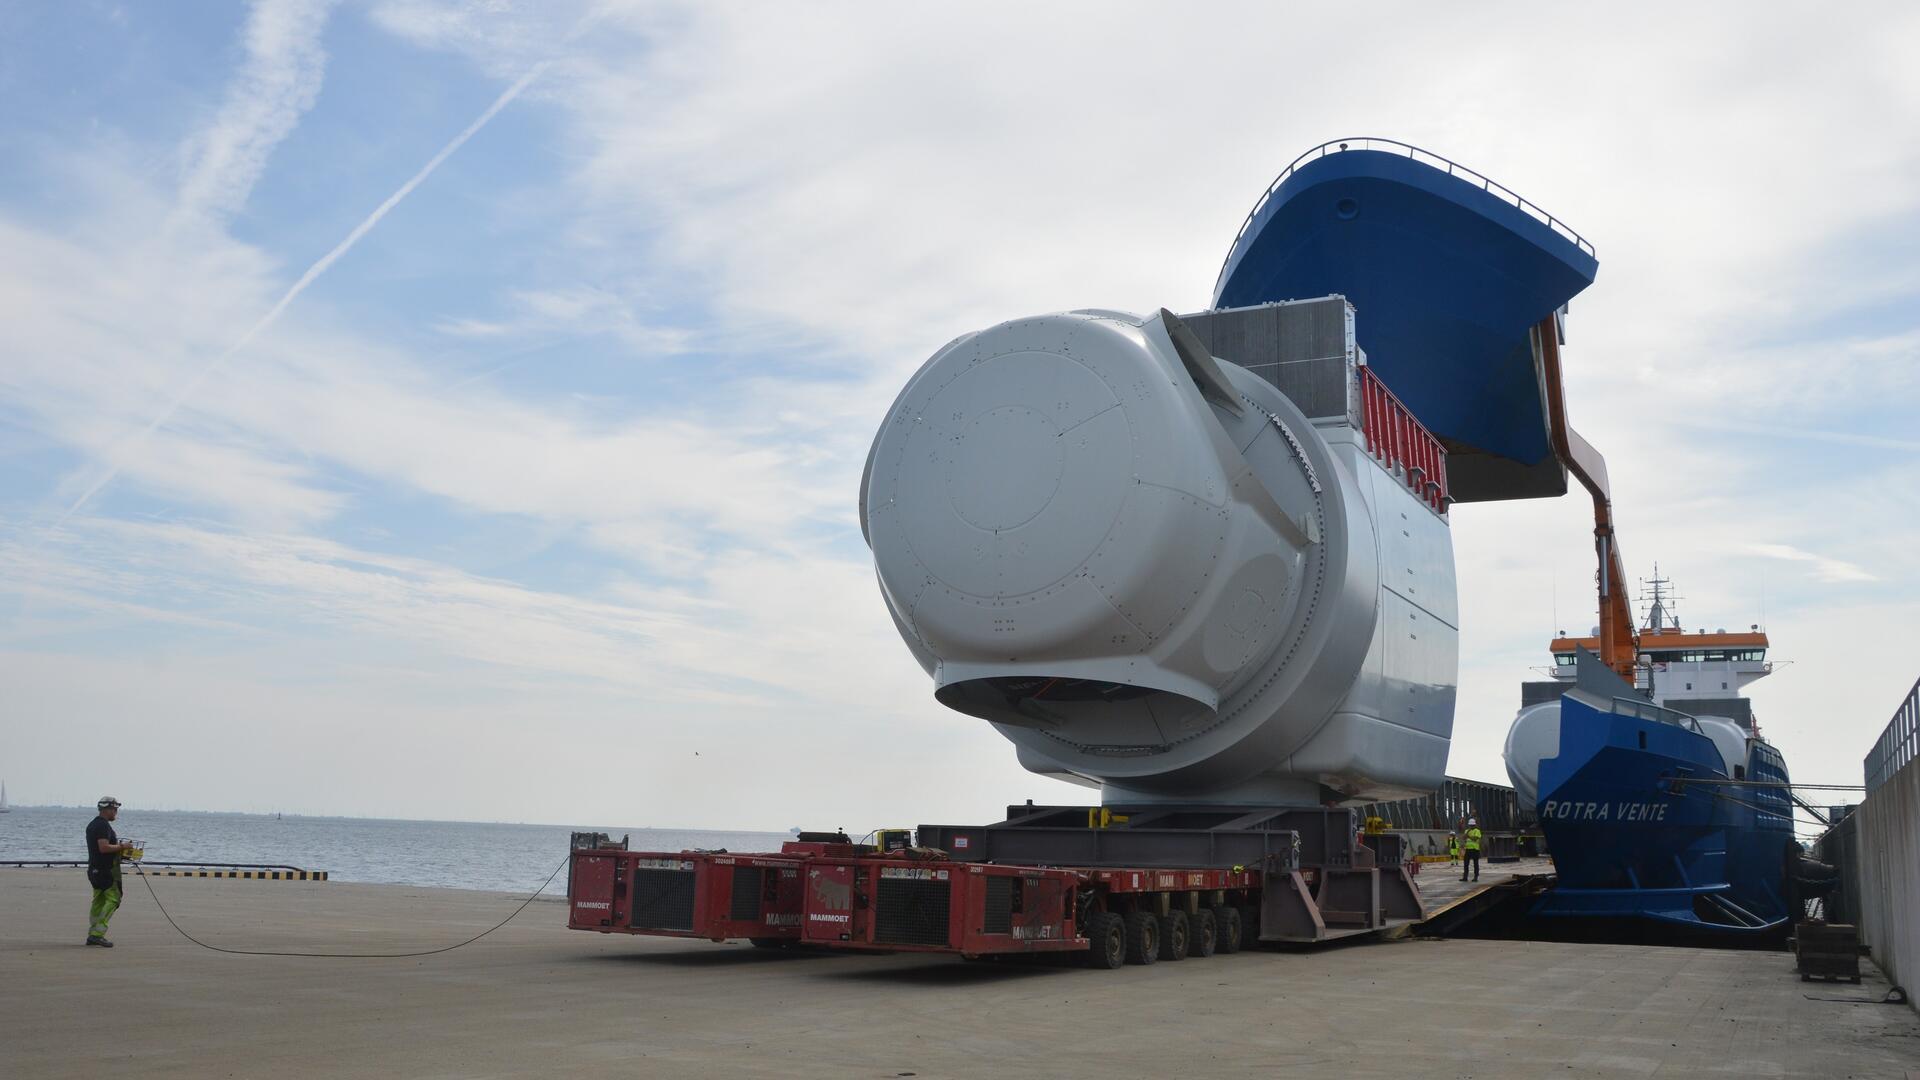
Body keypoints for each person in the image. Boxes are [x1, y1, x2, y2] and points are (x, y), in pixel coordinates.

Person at [85, 796, 134, 947]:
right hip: (106, 871)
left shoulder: (93, 825)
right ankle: (97, 934)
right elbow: (103, 847)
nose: (116, 813)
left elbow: (101, 848)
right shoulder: (102, 826)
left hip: (94, 869)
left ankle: (93, 934)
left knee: (99, 901)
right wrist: (123, 847)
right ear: (108, 810)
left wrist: (119, 850)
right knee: (114, 899)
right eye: (115, 809)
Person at [1461, 817, 1483, 883]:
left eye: (1472, 825)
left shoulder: (1477, 831)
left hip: (1475, 849)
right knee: (1466, 864)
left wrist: (1468, 836)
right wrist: (1467, 833)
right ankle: (1465, 877)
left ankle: (1475, 877)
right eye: (1470, 825)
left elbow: (1475, 838)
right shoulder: (1467, 831)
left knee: (1475, 864)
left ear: (1474, 825)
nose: (1471, 826)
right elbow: (1463, 838)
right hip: (1468, 849)